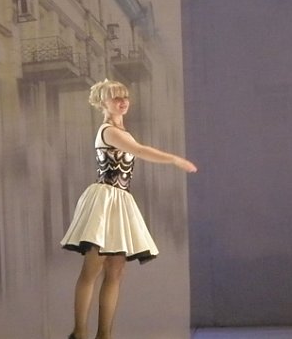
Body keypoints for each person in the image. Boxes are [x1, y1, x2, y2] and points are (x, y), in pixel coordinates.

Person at [61, 79, 197, 339]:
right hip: (105, 201)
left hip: (120, 201)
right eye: (116, 98)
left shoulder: (122, 131)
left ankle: (104, 334)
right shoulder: (108, 131)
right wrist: (174, 159)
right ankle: (79, 332)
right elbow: (140, 151)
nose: (123, 102)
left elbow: (135, 150)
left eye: (125, 97)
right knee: (93, 268)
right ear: (103, 103)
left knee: (115, 270)